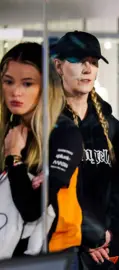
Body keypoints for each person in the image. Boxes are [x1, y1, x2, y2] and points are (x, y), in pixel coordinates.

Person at [50, 31, 119, 269]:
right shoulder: (46, 123)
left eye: (93, 62)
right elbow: (49, 192)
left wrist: (110, 234)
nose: (88, 69)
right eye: (79, 61)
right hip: (60, 248)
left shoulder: (109, 125)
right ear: (59, 66)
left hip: (105, 252)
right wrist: (88, 236)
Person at [0, 42, 84, 259]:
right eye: (8, 82)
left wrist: (14, 158)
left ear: (46, 87)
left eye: (28, 84)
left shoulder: (64, 134)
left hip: (49, 257)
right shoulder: (7, 130)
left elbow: (32, 210)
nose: (16, 92)